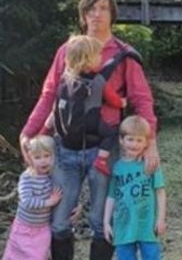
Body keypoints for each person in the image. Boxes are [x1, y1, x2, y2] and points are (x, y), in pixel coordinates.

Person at [19, 0, 160, 260]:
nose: (96, 15)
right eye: (90, 9)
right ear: (83, 15)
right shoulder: (66, 51)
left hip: (104, 150)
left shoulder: (124, 55)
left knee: (100, 220)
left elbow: (141, 101)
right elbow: (49, 95)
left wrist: (150, 143)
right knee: (58, 220)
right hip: (65, 151)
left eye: (103, 9)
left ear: (112, 14)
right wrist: (29, 133)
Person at [102, 115, 168, 260]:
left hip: (146, 224)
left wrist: (161, 219)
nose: (134, 144)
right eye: (130, 139)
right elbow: (111, 194)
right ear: (121, 140)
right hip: (123, 225)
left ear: (146, 143)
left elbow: (160, 192)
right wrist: (106, 221)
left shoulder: (150, 165)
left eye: (139, 140)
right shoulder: (118, 167)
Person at [45, 34, 127, 177]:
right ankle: (101, 160)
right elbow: (112, 99)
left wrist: (45, 129)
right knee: (112, 132)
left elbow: (55, 106)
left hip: (66, 133)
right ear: (88, 60)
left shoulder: (65, 78)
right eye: (98, 55)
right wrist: (123, 102)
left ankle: (45, 132)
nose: (101, 58)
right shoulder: (97, 80)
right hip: (90, 125)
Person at [0, 135, 62, 260]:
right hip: (22, 227)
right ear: (30, 158)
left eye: (47, 156)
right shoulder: (27, 178)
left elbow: (61, 196)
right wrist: (48, 203)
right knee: (15, 259)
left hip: (41, 229)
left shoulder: (53, 178)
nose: (43, 161)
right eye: (38, 157)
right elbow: (27, 201)